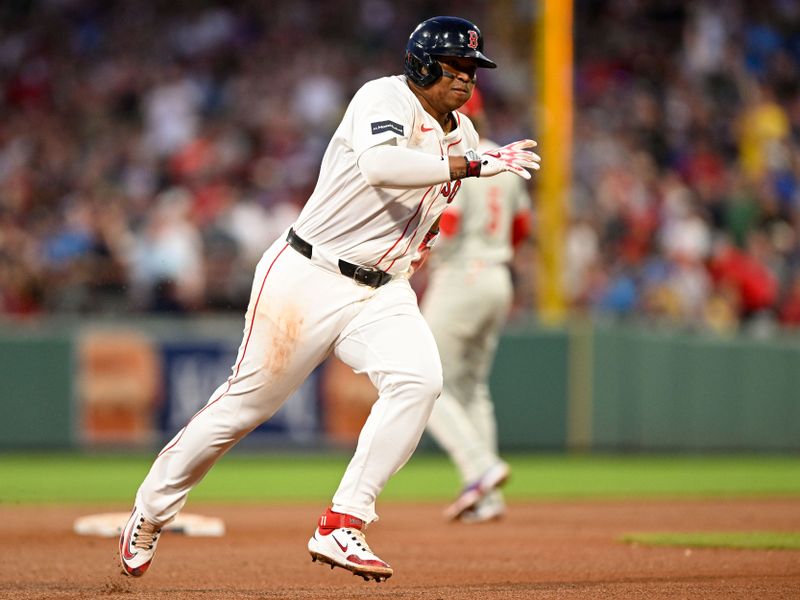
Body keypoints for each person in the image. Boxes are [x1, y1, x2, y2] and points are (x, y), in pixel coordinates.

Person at [118, 15, 540, 583]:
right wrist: (475, 163)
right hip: (308, 274)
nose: (466, 77)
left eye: (472, 68)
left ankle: (344, 520)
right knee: (244, 408)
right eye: (455, 65)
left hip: (381, 290)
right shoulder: (381, 96)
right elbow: (381, 166)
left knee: (420, 381)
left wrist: (423, 238)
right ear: (421, 64)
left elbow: (428, 203)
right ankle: (151, 510)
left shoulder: (461, 133)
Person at [421, 88, 532, 523]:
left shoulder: (463, 160)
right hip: (497, 275)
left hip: (461, 278)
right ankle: (489, 498)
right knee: (472, 389)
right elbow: (521, 225)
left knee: (423, 386)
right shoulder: (502, 158)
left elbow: (448, 226)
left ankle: (480, 469)